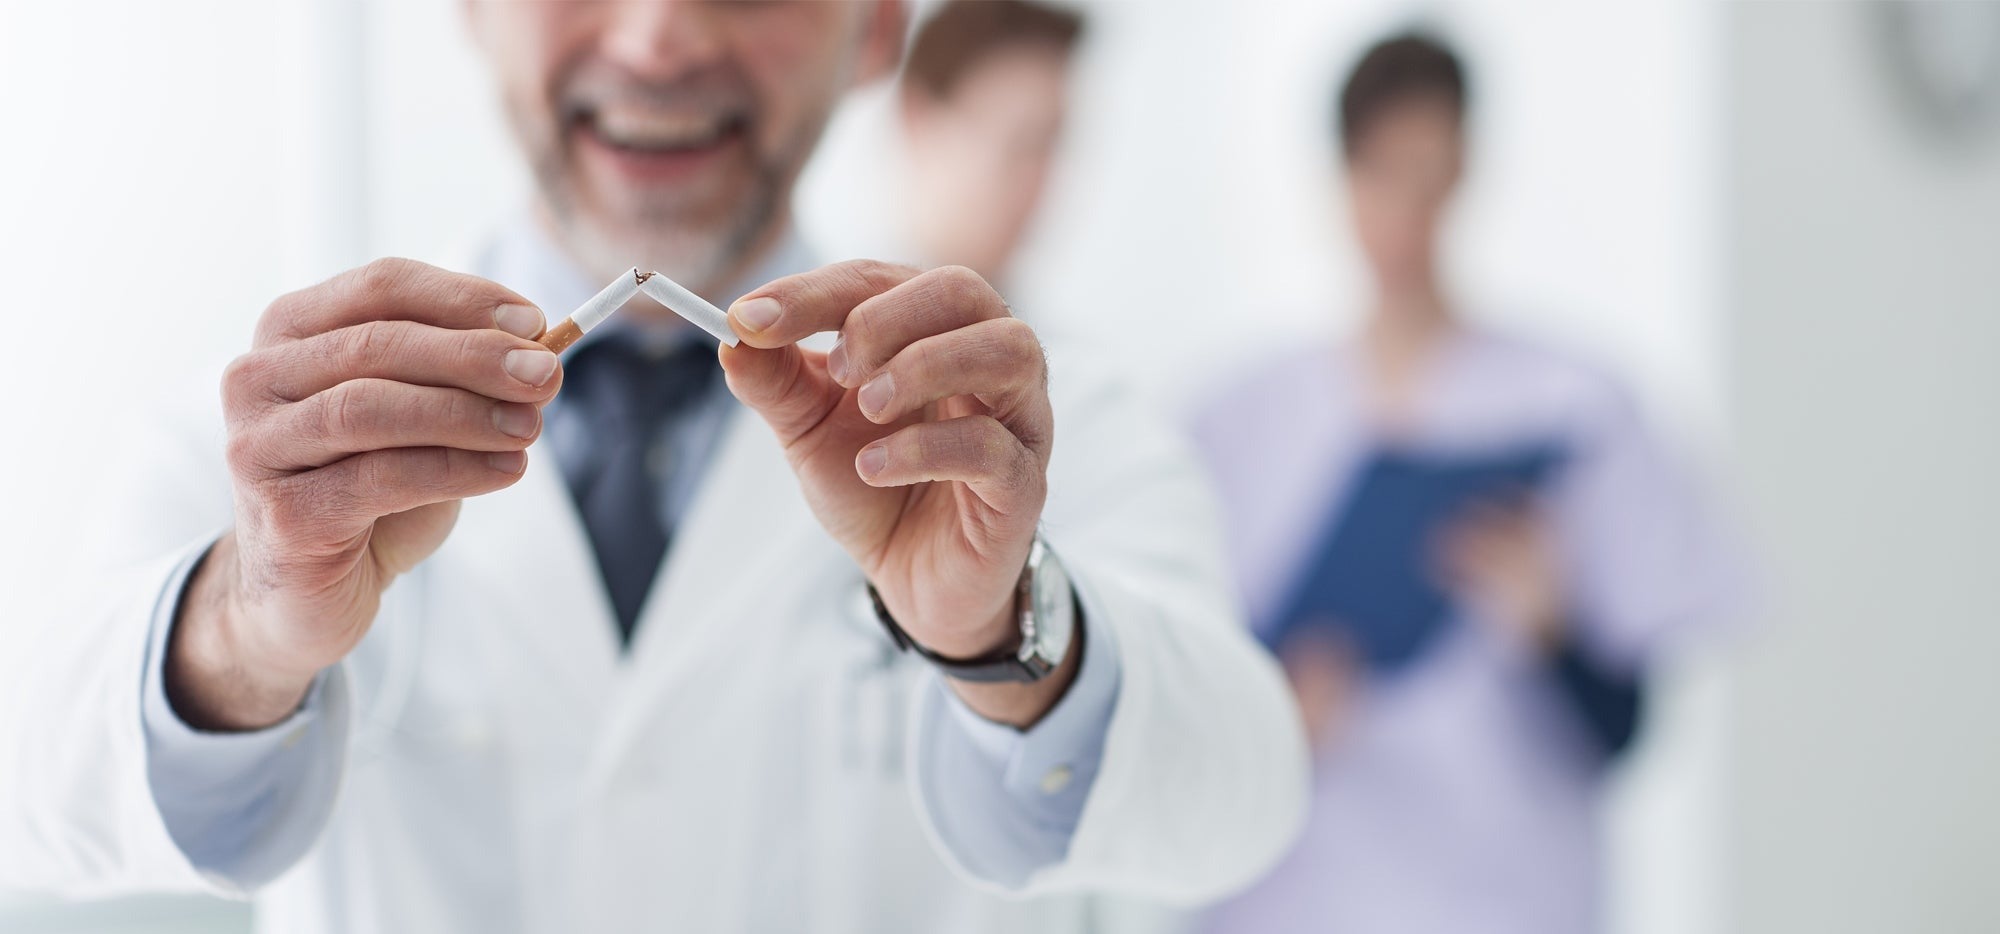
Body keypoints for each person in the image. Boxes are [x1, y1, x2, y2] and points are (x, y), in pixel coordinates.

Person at [0, 3, 1307, 931]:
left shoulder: (1036, 422)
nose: (660, 35)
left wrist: (1001, 636)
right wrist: (239, 632)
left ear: (878, 28)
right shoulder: (271, 432)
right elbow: (33, 790)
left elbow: (1241, 801)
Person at [1189, 32, 1741, 934]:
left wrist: (1552, 633)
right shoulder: (1235, 421)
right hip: (1294, 900)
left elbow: (1625, 732)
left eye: (1429, 173)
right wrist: (1276, 711)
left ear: (1465, 173)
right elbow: (1170, 712)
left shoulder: (1573, 404)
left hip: (1508, 898)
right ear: (1339, 175)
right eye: (1381, 173)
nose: (1405, 211)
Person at [896, 0, 1082, 285]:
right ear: (917, 117)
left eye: (1050, 146)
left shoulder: (1047, 329)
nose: (1040, 184)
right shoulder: (816, 322)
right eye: (1022, 144)